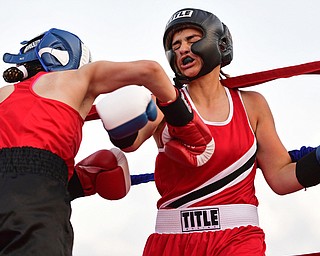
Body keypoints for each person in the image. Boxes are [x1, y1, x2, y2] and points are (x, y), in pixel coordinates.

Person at [97, 8, 319, 255]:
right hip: (172, 240)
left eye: (192, 40)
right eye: (175, 44)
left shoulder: (252, 105)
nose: (182, 49)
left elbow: (280, 177)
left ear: (219, 44)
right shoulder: (165, 102)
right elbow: (130, 143)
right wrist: (119, 122)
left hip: (237, 238)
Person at [0, 28, 178, 255]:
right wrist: (182, 113)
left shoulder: (4, 93)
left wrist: (75, 184)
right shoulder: (80, 77)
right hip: (37, 206)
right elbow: (150, 70)